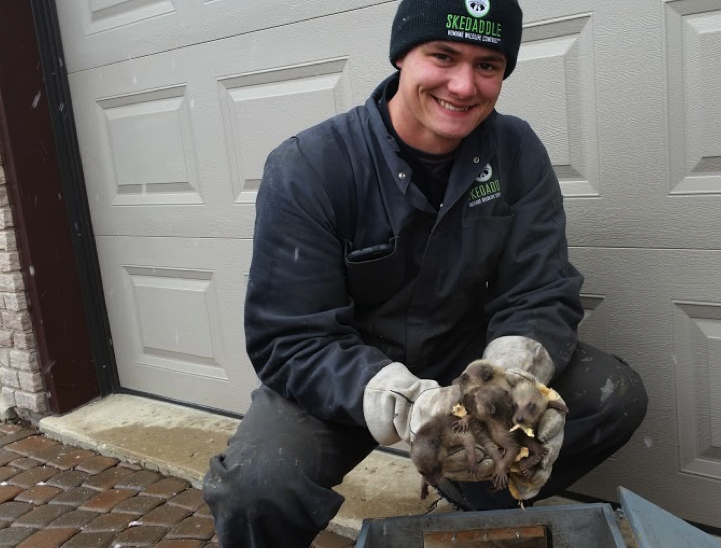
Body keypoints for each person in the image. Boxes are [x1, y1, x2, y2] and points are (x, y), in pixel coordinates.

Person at [202, 0, 647, 546]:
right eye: (443, 56)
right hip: (342, 369)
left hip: (467, 357)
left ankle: (471, 488)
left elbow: (540, 288)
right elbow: (291, 337)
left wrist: (506, 379)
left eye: (488, 65)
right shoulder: (308, 167)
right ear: (402, 58)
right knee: (257, 487)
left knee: (613, 395)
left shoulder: (515, 151)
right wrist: (406, 401)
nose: (464, 85)